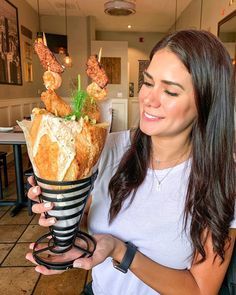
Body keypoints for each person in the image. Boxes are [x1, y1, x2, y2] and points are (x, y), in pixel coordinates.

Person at [26, 29, 236, 295]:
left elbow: (200, 290)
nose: (148, 98)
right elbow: (85, 222)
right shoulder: (103, 149)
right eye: (148, 82)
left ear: (205, 103)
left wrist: (121, 250)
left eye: (170, 91)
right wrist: (60, 216)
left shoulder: (224, 180)